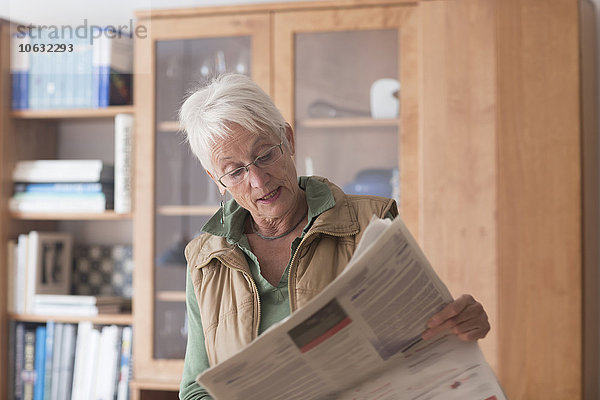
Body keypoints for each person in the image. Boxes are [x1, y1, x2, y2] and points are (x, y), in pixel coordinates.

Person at [177, 73, 490, 400]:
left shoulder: (372, 222)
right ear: (217, 179)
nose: (257, 179)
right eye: (236, 171)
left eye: (265, 155)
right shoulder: (205, 260)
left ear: (289, 140)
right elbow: (196, 389)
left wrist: (463, 324)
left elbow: (429, 338)